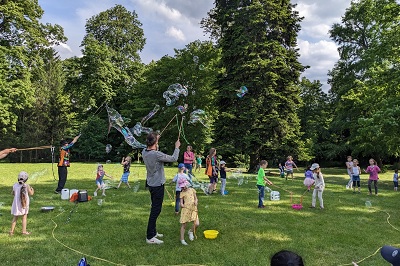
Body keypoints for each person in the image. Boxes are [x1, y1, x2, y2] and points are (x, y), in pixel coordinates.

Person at [142, 132, 180, 244]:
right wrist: (177, 147)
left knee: (155, 208)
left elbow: (151, 147)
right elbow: (174, 158)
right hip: (157, 185)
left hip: (151, 184)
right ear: (155, 143)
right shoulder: (156, 154)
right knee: (155, 210)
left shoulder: (144, 152)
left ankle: (153, 232)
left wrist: (156, 140)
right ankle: (150, 237)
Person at [10, 171, 34, 236]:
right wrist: (32, 189)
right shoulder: (27, 186)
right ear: (26, 179)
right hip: (24, 204)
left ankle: (11, 232)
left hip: (17, 204)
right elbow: (31, 193)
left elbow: (13, 193)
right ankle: (24, 232)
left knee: (15, 217)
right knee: (24, 217)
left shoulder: (15, 185)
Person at [178, 177, 199, 246]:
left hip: (193, 209)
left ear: (187, 184)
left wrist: (196, 202)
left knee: (197, 224)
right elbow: (181, 202)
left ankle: (190, 231)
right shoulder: (182, 193)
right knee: (184, 225)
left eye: (184, 186)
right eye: (182, 187)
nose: (183, 188)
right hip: (186, 210)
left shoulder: (192, 190)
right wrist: (181, 204)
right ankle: (182, 239)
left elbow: (196, 198)